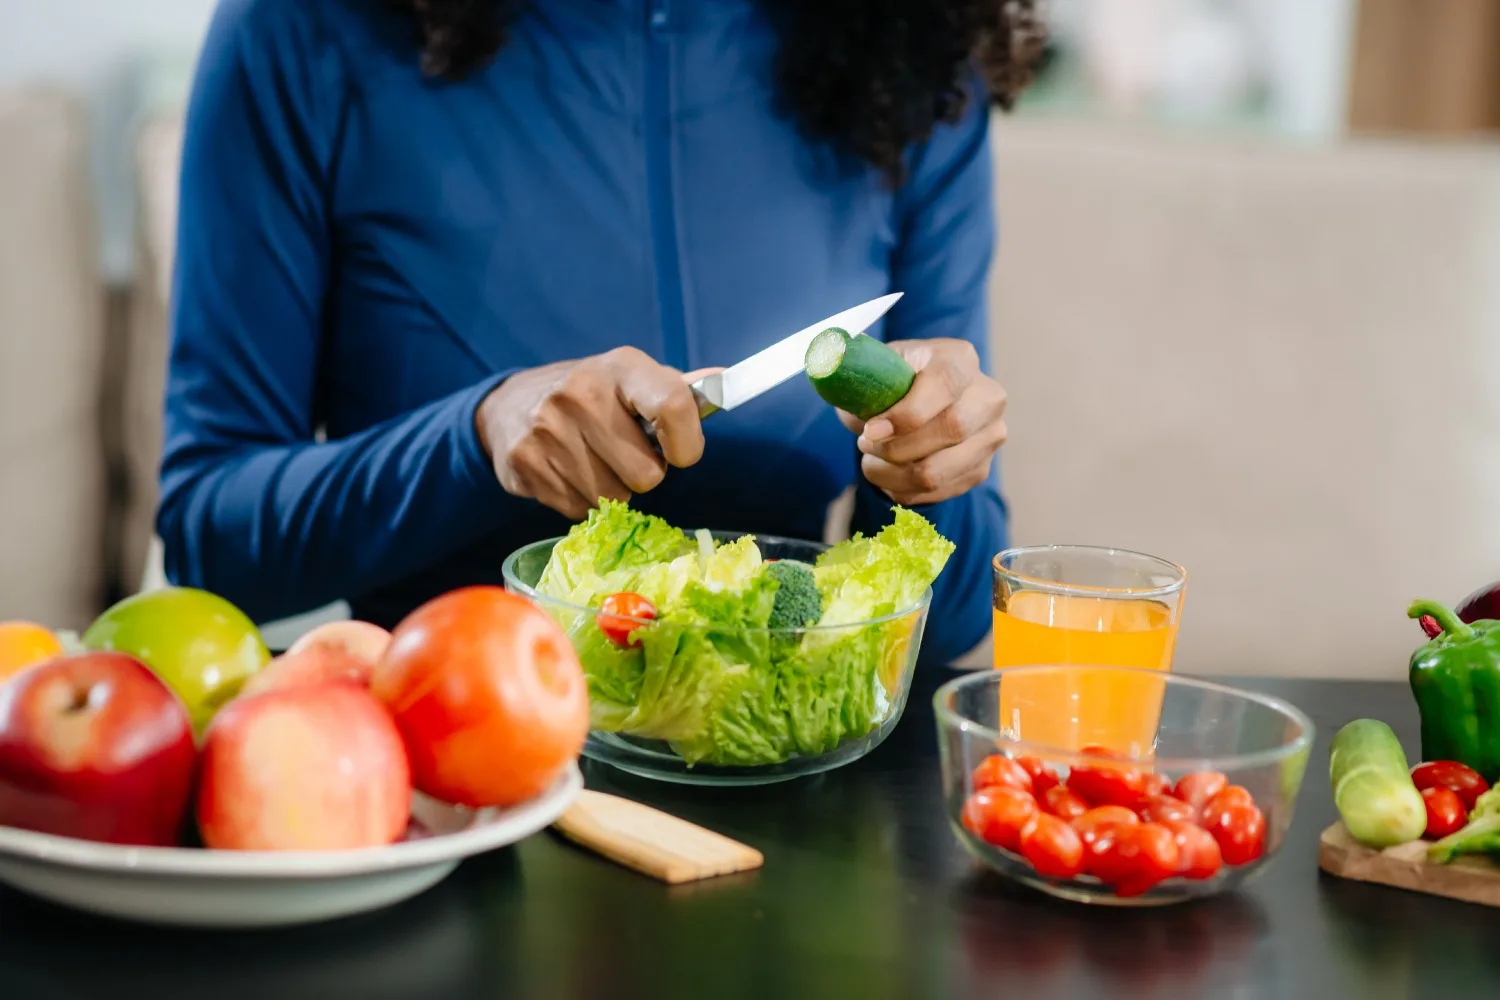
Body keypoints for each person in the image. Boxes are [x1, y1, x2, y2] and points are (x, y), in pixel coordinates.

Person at [158, 0, 1043, 665]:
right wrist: (476, 438)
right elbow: (213, 537)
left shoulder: (914, 48)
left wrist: (931, 468)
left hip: (785, 774)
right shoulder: (303, 29)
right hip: (449, 764)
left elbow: (958, 611)